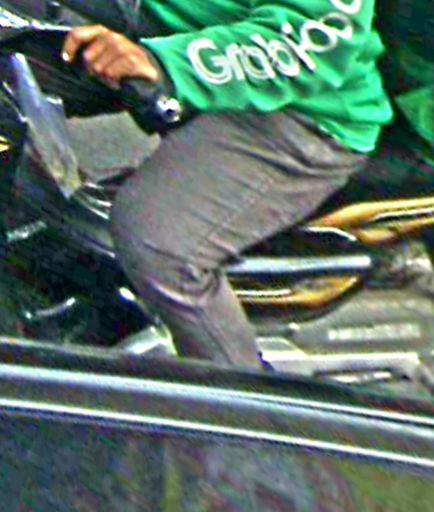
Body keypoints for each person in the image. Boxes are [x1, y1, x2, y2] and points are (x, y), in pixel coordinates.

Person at [62, 0, 393, 369]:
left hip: (302, 115)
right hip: (198, 66)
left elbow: (316, 38)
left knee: (158, 239)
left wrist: (168, 65)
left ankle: (243, 391)